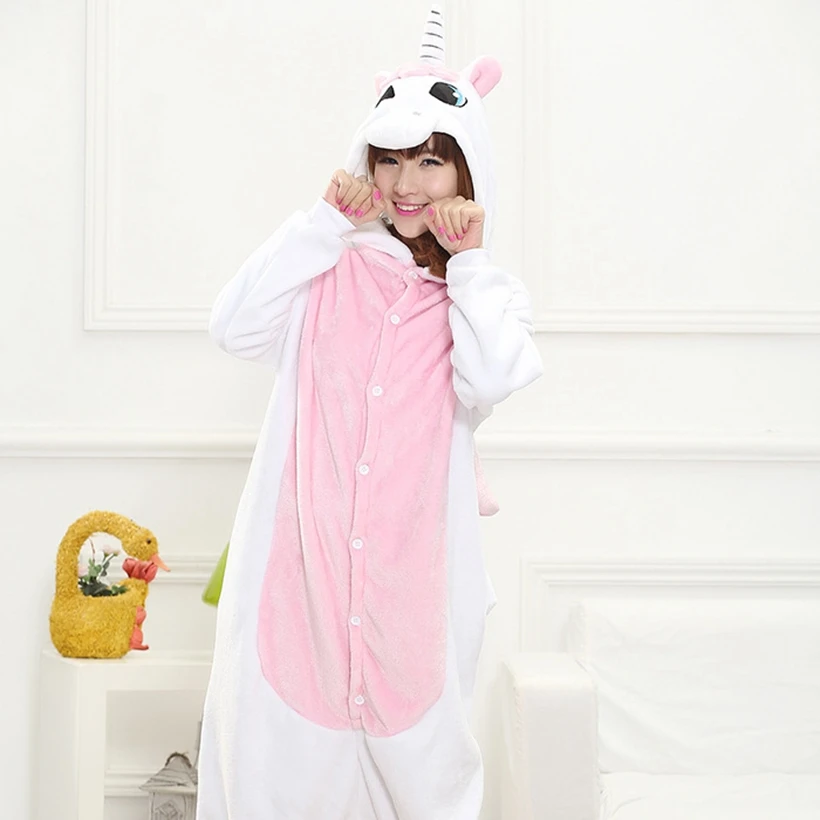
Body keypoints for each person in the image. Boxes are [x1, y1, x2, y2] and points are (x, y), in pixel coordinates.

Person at [196, 5, 543, 819]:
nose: (406, 183)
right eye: (389, 159)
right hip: (300, 602)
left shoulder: (482, 297)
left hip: (409, 606)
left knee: (421, 791)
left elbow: (491, 378)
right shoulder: (328, 268)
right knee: (277, 784)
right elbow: (234, 327)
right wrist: (323, 223)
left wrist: (469, 265)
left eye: (431, 161)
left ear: (467, 172)